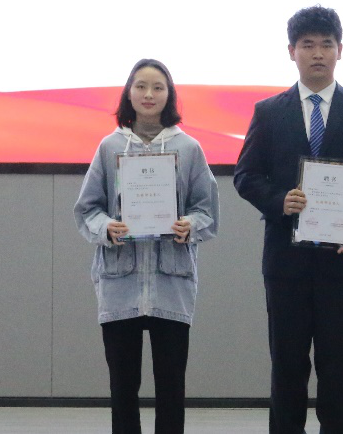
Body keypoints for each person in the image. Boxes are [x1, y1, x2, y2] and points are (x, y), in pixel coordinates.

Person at [234, 5, 343, 434]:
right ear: (292, 51)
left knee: (338, 367)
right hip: (285, 263)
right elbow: (246, 176)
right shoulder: (269, 111)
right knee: (287, 366)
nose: (318, 53)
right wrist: (279, 201)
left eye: (327, 44)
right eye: (308, 45)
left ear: (341, 50)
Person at [75, 58, 219, 434]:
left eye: (158, 87)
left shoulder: (189, 148)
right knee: (123, 388)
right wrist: (107, 227)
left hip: (171, 282)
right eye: (140, 86)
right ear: (129, 93)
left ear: (169, 94)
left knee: (171, 387)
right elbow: (88, 209)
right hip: (120, 281)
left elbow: (207, 210)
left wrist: (190, 225)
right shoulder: (109, 147)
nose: (149, 94)